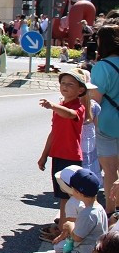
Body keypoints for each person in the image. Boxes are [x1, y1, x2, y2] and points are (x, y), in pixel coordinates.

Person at [38, 69, 91, 223]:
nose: (65, 86)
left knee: (68, 199)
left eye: (70, 84)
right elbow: (53, 133)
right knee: (63, 197)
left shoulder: (78, 107)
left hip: (70, 157)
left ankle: (66, 231)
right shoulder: (60, 107)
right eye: (63, 83)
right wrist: (43, 156)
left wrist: (52, 106)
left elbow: (69, 114)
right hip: (58, 156)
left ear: (80, 90)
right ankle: (63, 230)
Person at [50, 167, 108, 253]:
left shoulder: (87, 213)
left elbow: (77, 237)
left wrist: (70, 226)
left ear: (78, 192)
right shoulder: (99, 208)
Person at [91, 25, 119, 216]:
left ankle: (111, 212)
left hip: (107, 124)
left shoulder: (102, 67)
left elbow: (94, 102)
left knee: (110, 171)